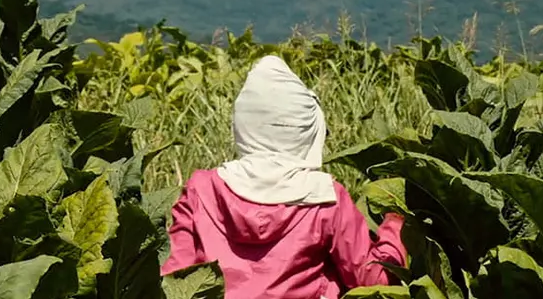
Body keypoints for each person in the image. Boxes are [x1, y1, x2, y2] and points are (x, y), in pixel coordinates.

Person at [161, 55, 407, 299]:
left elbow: (176, 280)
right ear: (307, 130)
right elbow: (374, 281)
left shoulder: (200, 190)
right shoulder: (324, 197)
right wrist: (395, 221)